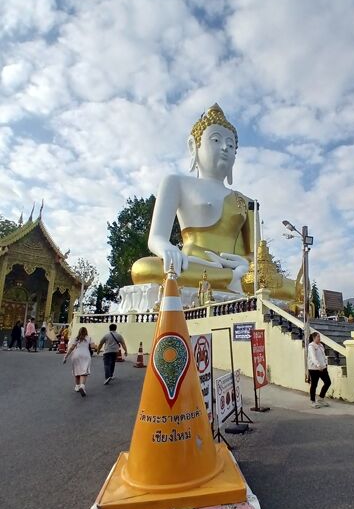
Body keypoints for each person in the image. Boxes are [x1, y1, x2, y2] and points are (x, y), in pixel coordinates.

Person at [131, 103, 299, 301]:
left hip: (240, 270)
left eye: (231, 144)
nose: (225, 147)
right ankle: (230, 279)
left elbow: (255, 257)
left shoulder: (247, 202)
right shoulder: (176, 183)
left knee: (296, 289)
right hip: (192, 263)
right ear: (194, 146)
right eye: (216, 140)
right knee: (143, 269)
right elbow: (156, 238)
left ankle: (232, 278)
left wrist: (244, 264)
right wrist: (167, 249)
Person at [63, 326, 95, 397]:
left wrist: (66, 356)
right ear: (86, 332)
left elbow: (71, 348)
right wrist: (95, 347)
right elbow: (93, 347)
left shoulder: (76, 338)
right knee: (84, 372)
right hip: (85, 355)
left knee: (77, 371)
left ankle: (77, 386)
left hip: (76, 355)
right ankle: (82, 386)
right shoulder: (89, 338)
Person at [307, 332, 331, 408]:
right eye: (318, 337)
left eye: (319, 337)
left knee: (328, 382)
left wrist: (325, 364)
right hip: (314, 369)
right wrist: (318, 365)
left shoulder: (321, 345)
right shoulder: (311, 346)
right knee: (314, 385)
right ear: (314, 338)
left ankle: (321, 398)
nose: (319, 338)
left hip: (323, 368)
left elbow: (323, 356)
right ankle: (312, 401)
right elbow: (313, 357)